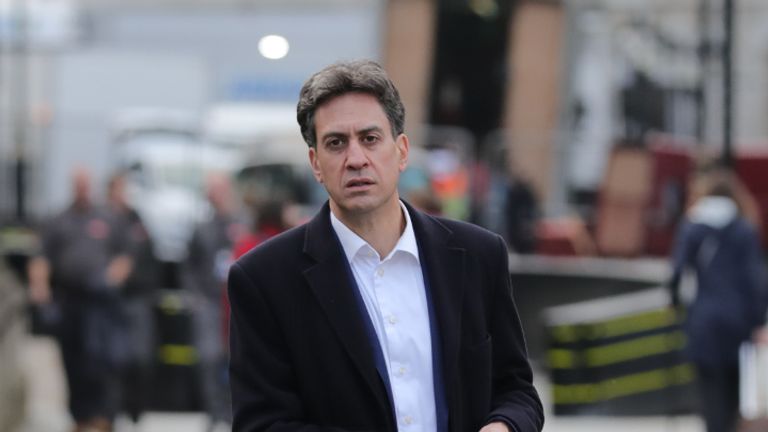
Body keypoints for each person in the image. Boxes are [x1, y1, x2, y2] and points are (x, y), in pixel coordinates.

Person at [228, 60, 544, 432]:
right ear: (316, 163)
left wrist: (503, 427)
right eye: (335, 143)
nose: (356, 159)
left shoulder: (479, 256)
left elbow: (517, 391)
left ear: (402, 151)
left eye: (370, 138)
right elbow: (262, 425)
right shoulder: (264, 279)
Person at [28, 167, 133, 432]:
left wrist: (111, 279)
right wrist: (40, 287)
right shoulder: (59, 220)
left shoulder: (108, 217)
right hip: (69, 301)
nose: (83, 190)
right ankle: (80, 416)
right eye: (79, 185)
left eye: (87, 184)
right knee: (71, 359)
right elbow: (41, 257)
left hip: (100, 303)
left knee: (100, 360)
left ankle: (104, 415)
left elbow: (125, 255)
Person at [668, 168, 767, 432]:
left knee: (710, 397)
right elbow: (754, 280)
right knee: (734, 396)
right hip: (738, 324)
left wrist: (677, 309)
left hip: (704, 322)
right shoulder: (744, 230)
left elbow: (677, 274)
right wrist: (758, 320)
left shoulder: (692, 228)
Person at [183, 173, 245, 431]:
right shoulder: (201, 228)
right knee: (208, 358)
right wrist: (194, 295)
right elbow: (188, 265)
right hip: (209, 301)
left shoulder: (242, 223)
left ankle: (234, 412)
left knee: (237, 359)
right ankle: (214, 412)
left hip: (237, 302)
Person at [105, 172, 159, 424]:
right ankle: (113, 412)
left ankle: (136, 410)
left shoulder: (135, 219)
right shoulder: (102, 220)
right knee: (114, 359)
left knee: (140, 357)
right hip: (110, 301)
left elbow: (149, 255)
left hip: (137, 298)